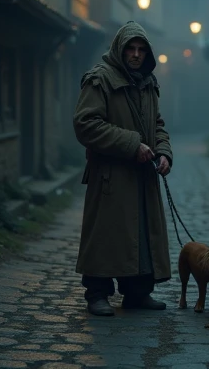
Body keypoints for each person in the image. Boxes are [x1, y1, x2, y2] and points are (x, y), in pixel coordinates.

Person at [73, 21, 173, 317]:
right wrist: (132, 145)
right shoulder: (99, 79)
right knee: (106, 235)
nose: (136, 54)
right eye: (131, 48)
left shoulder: (148, 82)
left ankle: (138, 293)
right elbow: (86, 125)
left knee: (141, 233)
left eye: (141, 49)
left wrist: (164, 152)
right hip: (110, 177)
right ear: (120, 49)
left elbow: (157, 124)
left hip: (143, 177)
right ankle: (97, 294)